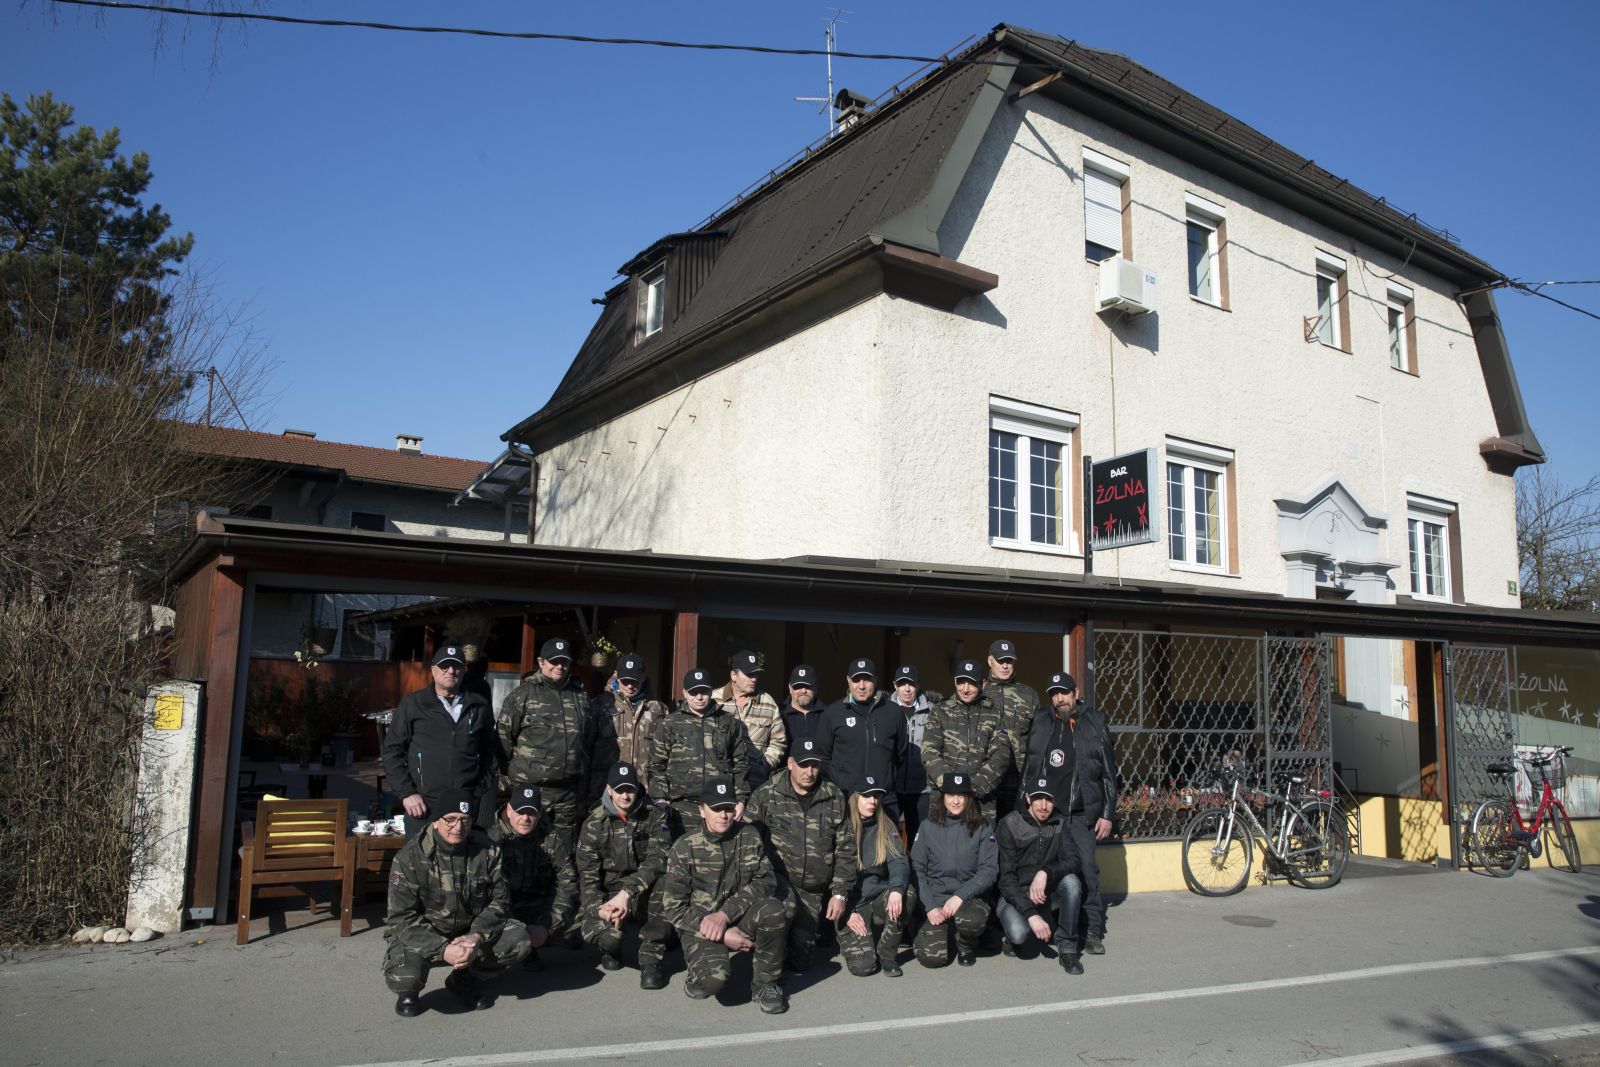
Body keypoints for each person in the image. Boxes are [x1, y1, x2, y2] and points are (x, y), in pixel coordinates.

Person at [383, 787, 531, 1017]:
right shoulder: (411, 857)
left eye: (465, 820)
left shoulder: (488, 850)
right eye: (450, 819)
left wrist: (476, 936)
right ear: (435, 822)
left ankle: (463, 979)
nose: (458, 827)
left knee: (518, 940)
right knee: (405, 978)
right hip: (425, 932)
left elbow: (500, 901)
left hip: (467, 930)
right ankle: (410, 993)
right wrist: (443, 949)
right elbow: (401, 918)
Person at [659, 777, 792, 1014]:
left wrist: (725, 914)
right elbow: (673, 907)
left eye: (729, 808)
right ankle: (697, 973)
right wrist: (720, 933)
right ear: (702, 810)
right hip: (701, 926)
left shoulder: (749, 836)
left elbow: (767, 879)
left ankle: (766, 984)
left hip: (736, 916)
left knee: (773, 910)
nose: (724, 815)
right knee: (713, 982)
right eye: (716, 808)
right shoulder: (685, 847)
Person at [744, 738, 856, 973]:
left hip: (812, 891)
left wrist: (840, 893)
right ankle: (766, 961)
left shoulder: (833, 795)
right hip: (778, 886)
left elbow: (845, 848)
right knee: (775, 940)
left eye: (815, 765)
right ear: (790, 763)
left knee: (801, 963)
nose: (809, 772)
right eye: (804, 765)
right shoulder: (766, 794)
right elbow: (747, 843)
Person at [573, 762, 675, 988]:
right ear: (609, 790)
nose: (626, 796)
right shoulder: (593, 823)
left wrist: (627, 893)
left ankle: (650, 959)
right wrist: (600, 908)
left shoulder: (654, 816)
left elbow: (659, 859)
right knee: (608, 937)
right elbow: (588, 875)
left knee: (668, 884)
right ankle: (611, 949)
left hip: (641, 889)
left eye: (630, 789)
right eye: (619, 790)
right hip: (609, 896)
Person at [496, 637, 595, 868]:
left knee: (563, 855)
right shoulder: (523, 696)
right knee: (524, 850)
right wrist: (510, 776)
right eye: (554, 661)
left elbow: (587, 739)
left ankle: (559, 900)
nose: (559, 666)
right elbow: (502, 739)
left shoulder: (580, 696)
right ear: (541, 662)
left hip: (567, 792)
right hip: (531, 790)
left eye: (565, 662)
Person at [382, 645, 498, 831]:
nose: (451, 671)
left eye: (457, 666)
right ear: (433, 670)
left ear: (464, 670)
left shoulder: (478, 706)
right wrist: (407, 793)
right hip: (424, 807)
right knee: (420, 860)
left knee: (464, 860)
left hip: (464, 809)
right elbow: (391, 753)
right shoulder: (414, 704)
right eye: (445, 666)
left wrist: (477, 791)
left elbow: (489, 753)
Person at [1042, 671, 1116, 956]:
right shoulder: (1046, 724)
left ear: (1075, 694)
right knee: (1050, 872)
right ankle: (1055, 926)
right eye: (1054, 693)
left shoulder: (1095, 723)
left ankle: (1093, 931)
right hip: (1052, 814)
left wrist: (1107, 812)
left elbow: (1109, 773)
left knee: (1087, 872)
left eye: (1064, 692)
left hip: (1083, 814)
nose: (1059, 698)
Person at [996, 779, 1084, 974]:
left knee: (1072, 882)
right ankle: (1012, 937)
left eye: (1048, 800)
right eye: (1038, 799)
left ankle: (1067, 949)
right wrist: (1031, 914)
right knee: (1019, 934)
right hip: (1015, 896)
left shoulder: (1059, 823)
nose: (1044, 806)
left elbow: (1075, 860)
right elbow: (1006, 880)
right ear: (1028, 798)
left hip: (1045, 893)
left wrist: (1045, 872)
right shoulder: (1009, 824)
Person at [909, 773, 998, 968]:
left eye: (961, 796)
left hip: (968, 897)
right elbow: (917, 870)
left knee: (971, 920)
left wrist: (960, 896)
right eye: (950, 795)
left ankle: (966, 945)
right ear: (943, 798)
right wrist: (930, 906)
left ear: (968, 798)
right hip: (937, 897)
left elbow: (989, 870)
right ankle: (934, 931)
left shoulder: (982, 827)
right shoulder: (927, 826)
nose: (955, 801)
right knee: (932, 958)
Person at [649, 667, 750, 836]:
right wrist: (661, 799)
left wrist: (740, 800)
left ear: (711, 691)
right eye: (694, 692)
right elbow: (657, 764)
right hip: (680, 807)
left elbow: (741, 763)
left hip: (720, 806)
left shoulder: (728, 722)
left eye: (703, 692)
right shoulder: (670, 724)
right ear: (685, 693)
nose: (699, 697)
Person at [485, 785, 575, 972]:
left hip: (535, 905)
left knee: (584, 917)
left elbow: (568, 882)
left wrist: (546, 925)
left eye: (531, 813)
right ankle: (488, 957)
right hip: (502, 908)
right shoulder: (490, 840)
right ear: (509, 810)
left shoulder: (550, 838)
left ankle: (535, 943)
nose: (525, 818)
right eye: (520, 811)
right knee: (510, 937)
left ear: (540, 814)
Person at [837, 775, 914, 978]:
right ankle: (850, 938)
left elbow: (899, 861)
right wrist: (846, 913)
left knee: (908, 893)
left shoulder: (885, 825)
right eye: (866, 796)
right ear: (855, 798)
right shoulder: (841, 826)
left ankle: (887, 954)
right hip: (851, 905)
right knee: (864, 967)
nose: (872, 801)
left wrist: (897, 889)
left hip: (878, 897)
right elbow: (828, 876)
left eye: (876, 797)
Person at [922, 659, 1011, 818]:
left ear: (982, 684)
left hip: (981, 800)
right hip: (945, 799)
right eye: (961, 682)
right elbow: (929, 752)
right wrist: (953, 786)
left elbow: (1001, 756)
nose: (965, 689)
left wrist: (975, 787)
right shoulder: (939, 712)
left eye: (971, 683)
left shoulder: (994, 713)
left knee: (980, 842)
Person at [817, 658, 903, 795]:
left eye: (867, 679)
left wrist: (889, 782)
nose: (861, 686)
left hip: (884, 798)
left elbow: (901, 755)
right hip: (845, 797)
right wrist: (839, 784)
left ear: (875, 680)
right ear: (848, 680)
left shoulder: (894, 712)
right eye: (856, 680)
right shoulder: (832, 713)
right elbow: (823, 757)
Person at [589, 653, 668, 796]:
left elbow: (666, 755)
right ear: (616, 676)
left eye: (635, 681)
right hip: (607, 788)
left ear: (643, 678)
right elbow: (586, 749)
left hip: (644, 790)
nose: (630, 686)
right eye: (625, 681)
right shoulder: (600, 705)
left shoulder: (658, 709)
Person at [712, 650, 787, 788]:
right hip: (720, 780)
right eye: (749, 674)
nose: (754, 679)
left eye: (756, 674)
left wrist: (765, 764)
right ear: (733, 675)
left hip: (755, 782)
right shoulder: (714, 700)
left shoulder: (768, 702)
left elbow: (778, 741)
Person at [983, 639, 1039, 814]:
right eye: (1001, 661)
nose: (1005, 666)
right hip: (986, 776)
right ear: (990, 662)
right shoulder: (979, 693)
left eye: (1009, 661)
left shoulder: (1028, 695)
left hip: (1019, 777)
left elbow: (1037, 737)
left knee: (1017, 831)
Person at [889, 664, 934, 845]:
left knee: (920, 841)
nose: (907, 689)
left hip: (922, 789)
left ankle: (917, 874)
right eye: (902, 684)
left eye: (911, 684)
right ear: (894, 685)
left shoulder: (933, 712)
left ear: (918, 685)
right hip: (893, 787)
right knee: (890, 839)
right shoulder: (884, 711)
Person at [779, 664, 825, 749]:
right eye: (798, 686)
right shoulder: (778, 715)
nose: (803, 691)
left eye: (808, 686)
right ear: (790, 687)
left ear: (816, 687)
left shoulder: (828, 715)